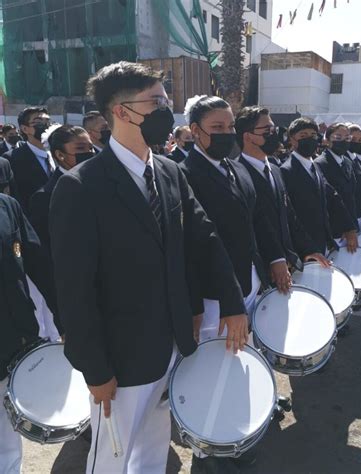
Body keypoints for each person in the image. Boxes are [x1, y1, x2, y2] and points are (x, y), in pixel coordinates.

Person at [50, 61, 247, 474]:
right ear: (122, 112)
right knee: (111, 460)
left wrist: (232, 302)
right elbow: (74, 289)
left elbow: (204, 238)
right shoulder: (81, 187)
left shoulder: (170, 172)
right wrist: (95, 367)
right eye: (155, 102)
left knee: (153, 452)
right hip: (120, 361)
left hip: (172, 346)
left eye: (165, 100)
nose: (166, 109)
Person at [181, 97, 279, 337]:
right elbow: (190, 247)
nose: (227, 133)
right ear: (195, 130)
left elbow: (257, 218)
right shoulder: (184, 175)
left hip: (251, 283)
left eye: (231, 127)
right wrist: (197, 305)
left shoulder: (238, 168)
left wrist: (276, 258)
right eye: (217, 128)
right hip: (214, 300)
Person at [0, 193, 59, 474]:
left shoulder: (7, 205)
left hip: (12, 341)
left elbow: (38, 264)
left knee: (7, 439)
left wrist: (65, 317)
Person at [235, 106, 330, 279]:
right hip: (259, 272)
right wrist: (274, 259)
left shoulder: (275, 170)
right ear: (248, 136)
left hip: (285, 266)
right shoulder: (236, 174)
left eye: (274, 128)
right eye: (267, 130)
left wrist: (310, 249)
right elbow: (250, 228)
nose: (274, 133)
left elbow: (289, 216)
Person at [280, 117, 358, 255]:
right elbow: (290, 216)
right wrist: (306, 249)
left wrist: (349, 228)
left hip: (322, 241)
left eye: (313, 135)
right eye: (303, 136)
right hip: (304, 248)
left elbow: (332, 196)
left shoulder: (314, 166)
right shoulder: (286, 171)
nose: (309, 139)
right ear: (292, 140)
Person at [29, 125, 95, 258]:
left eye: (91, 148)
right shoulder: (45, 196)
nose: (90, 153)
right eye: (80, 148)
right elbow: (46, 248)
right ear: (60, 155)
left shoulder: (100, 182)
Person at [3, 107, 55, 211]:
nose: (46, 125)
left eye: (48, 121)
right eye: (39, 122)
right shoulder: (12, 159)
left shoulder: (59, 153)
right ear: (24, 129)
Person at [316, 123, 359, 231]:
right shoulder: (320, 164)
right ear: (328, 140)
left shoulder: (348, 162)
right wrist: (347, 228)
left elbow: (351, 196)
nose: (343, 141)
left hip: (351, 224)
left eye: (347, 138)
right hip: (334, 229)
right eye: (338, 137)